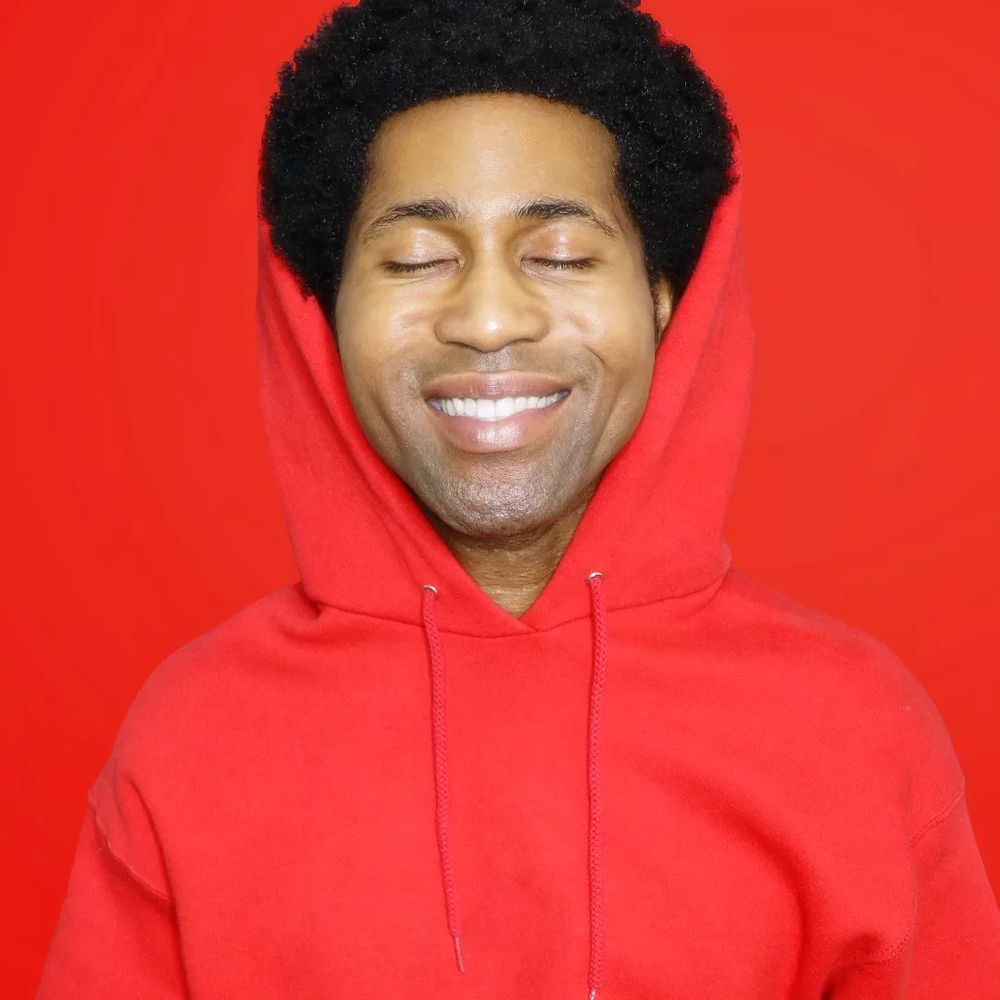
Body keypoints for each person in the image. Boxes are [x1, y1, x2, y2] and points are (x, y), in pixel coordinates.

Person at [37, 0, 1000, 997]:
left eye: (562, 255)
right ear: (326, 312)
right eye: (415, 259)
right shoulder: (195, 735)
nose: (489, 318)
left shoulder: (853, 729)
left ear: (662, 301)